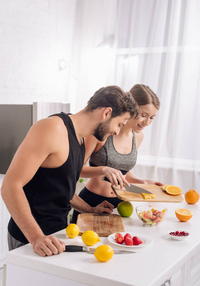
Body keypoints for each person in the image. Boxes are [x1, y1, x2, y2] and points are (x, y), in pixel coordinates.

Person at [1, 85, 138, 257]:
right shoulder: (52, 128)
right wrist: (36, 237)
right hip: (29, 240)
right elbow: (10, 186)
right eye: (119, 124)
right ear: (107, 113)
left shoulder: (80, 139)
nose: (117, 131)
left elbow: (62, 189)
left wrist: (89, 209)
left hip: (57, 235)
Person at [72, 84, 164, 223]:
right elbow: (76, 170)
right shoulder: (102, 131)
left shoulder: (138, 137)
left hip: (120, 204)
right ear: (131, 108)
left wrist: (142, 182)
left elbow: (121, 172)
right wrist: (103, 170)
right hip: (92, 201)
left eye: (152, 117)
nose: (147, 122)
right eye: (143, 115)